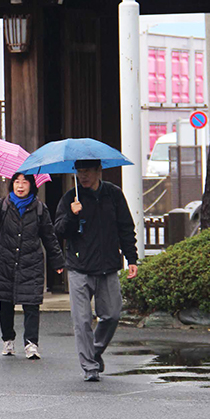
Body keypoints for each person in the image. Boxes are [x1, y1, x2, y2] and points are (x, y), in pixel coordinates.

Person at [54, 159, 138, 382]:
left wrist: (132, 257)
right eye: (80, 172)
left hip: (108, 265)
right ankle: (90, 366)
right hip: (79, 267)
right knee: (81, 321)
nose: (84, 176)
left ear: (99, 171)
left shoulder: (113, 194)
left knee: (111, 315)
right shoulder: (70, 198)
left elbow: (125, 227)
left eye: (88, 171)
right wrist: (72, 215)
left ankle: (95, 351)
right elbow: (59, 230)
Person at [0, 172, 64, 359]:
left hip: (30, 262)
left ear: (32, 185)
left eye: (25, 182)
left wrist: (57, 260)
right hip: (5, 261)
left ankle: (31, 344)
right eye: (17, 182)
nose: (21, 185)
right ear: (12, 185)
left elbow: (49, 236)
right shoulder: (3, 205)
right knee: (5, 303)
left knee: (31, 304)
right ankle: (7, 340)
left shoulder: (40, 208)